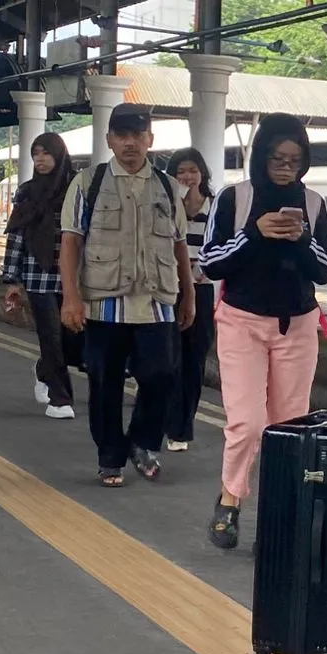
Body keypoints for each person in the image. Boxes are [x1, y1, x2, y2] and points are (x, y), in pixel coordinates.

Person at [199, 114, 327, 549]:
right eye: (277, 158)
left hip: (297, 326)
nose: (286, 167)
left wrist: (300, 239)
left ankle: (278, 515)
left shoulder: (313, 205)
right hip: (241, 322)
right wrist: (254, 234)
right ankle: (230, 501)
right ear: (261, 156)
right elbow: (210, 262)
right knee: (247, 421)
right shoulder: (234, 198)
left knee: (289, 426)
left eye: (295, 159)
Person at [58, 104, 194, 488]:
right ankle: (110, 457)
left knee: (162, 373)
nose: (130, 142)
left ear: (150, 139)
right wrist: (71, 297)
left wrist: (188, 297)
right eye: (121, 135)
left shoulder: (168, 186)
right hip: (104, 301)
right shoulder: (88, 182)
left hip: (157, 300)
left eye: (137, 135)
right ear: (109, 140)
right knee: (105, 382)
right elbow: (71, 242)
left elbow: (179, 244)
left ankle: (144, 442)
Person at [2, 132, 78, 420]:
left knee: (72, 339)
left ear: (59, 155)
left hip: (72, 276)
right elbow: (17, 236)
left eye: (46, 153)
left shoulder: (76, 189)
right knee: (51, 336)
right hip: (37, 275)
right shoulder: (27, 191)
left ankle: (43, 370)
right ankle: (61, 400)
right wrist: (11, 280)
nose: (40, 159)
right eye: (36, 154)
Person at [164, 147, 217, 452]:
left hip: (203, 287)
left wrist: (197, 275)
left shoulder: (215, 206)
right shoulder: (166, 205)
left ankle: (182, 427)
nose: (187, 176)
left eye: (192, 170)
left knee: (194, 359)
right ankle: (168, 419)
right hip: (169, 288)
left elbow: (220, 243)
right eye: (180, 171)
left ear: (202, 174)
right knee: (169, 358)